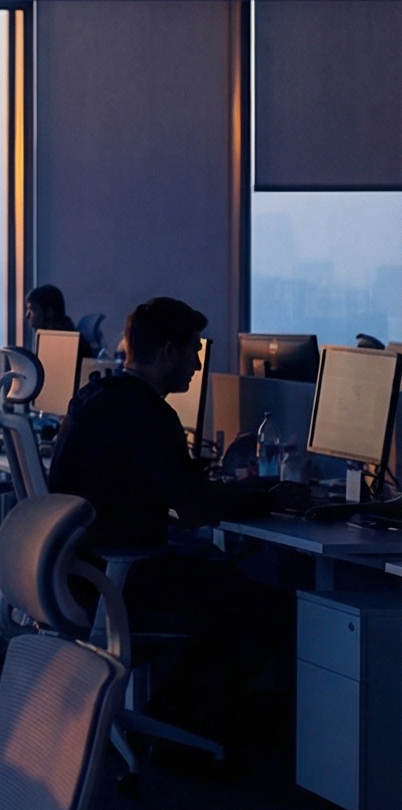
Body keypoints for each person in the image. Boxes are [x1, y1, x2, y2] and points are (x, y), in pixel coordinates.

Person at [48, 296, 304, 738]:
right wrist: (267, 497)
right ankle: (179, 728)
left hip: (80, 569)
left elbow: (151, 481)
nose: (197, 364)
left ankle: (177, 719)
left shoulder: (96, 395)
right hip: (121, 575)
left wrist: (213, 481)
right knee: (266, 608)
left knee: (224, 577)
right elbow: (194, 507)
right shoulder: (149, 413)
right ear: (169, 351)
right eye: (193, 352)